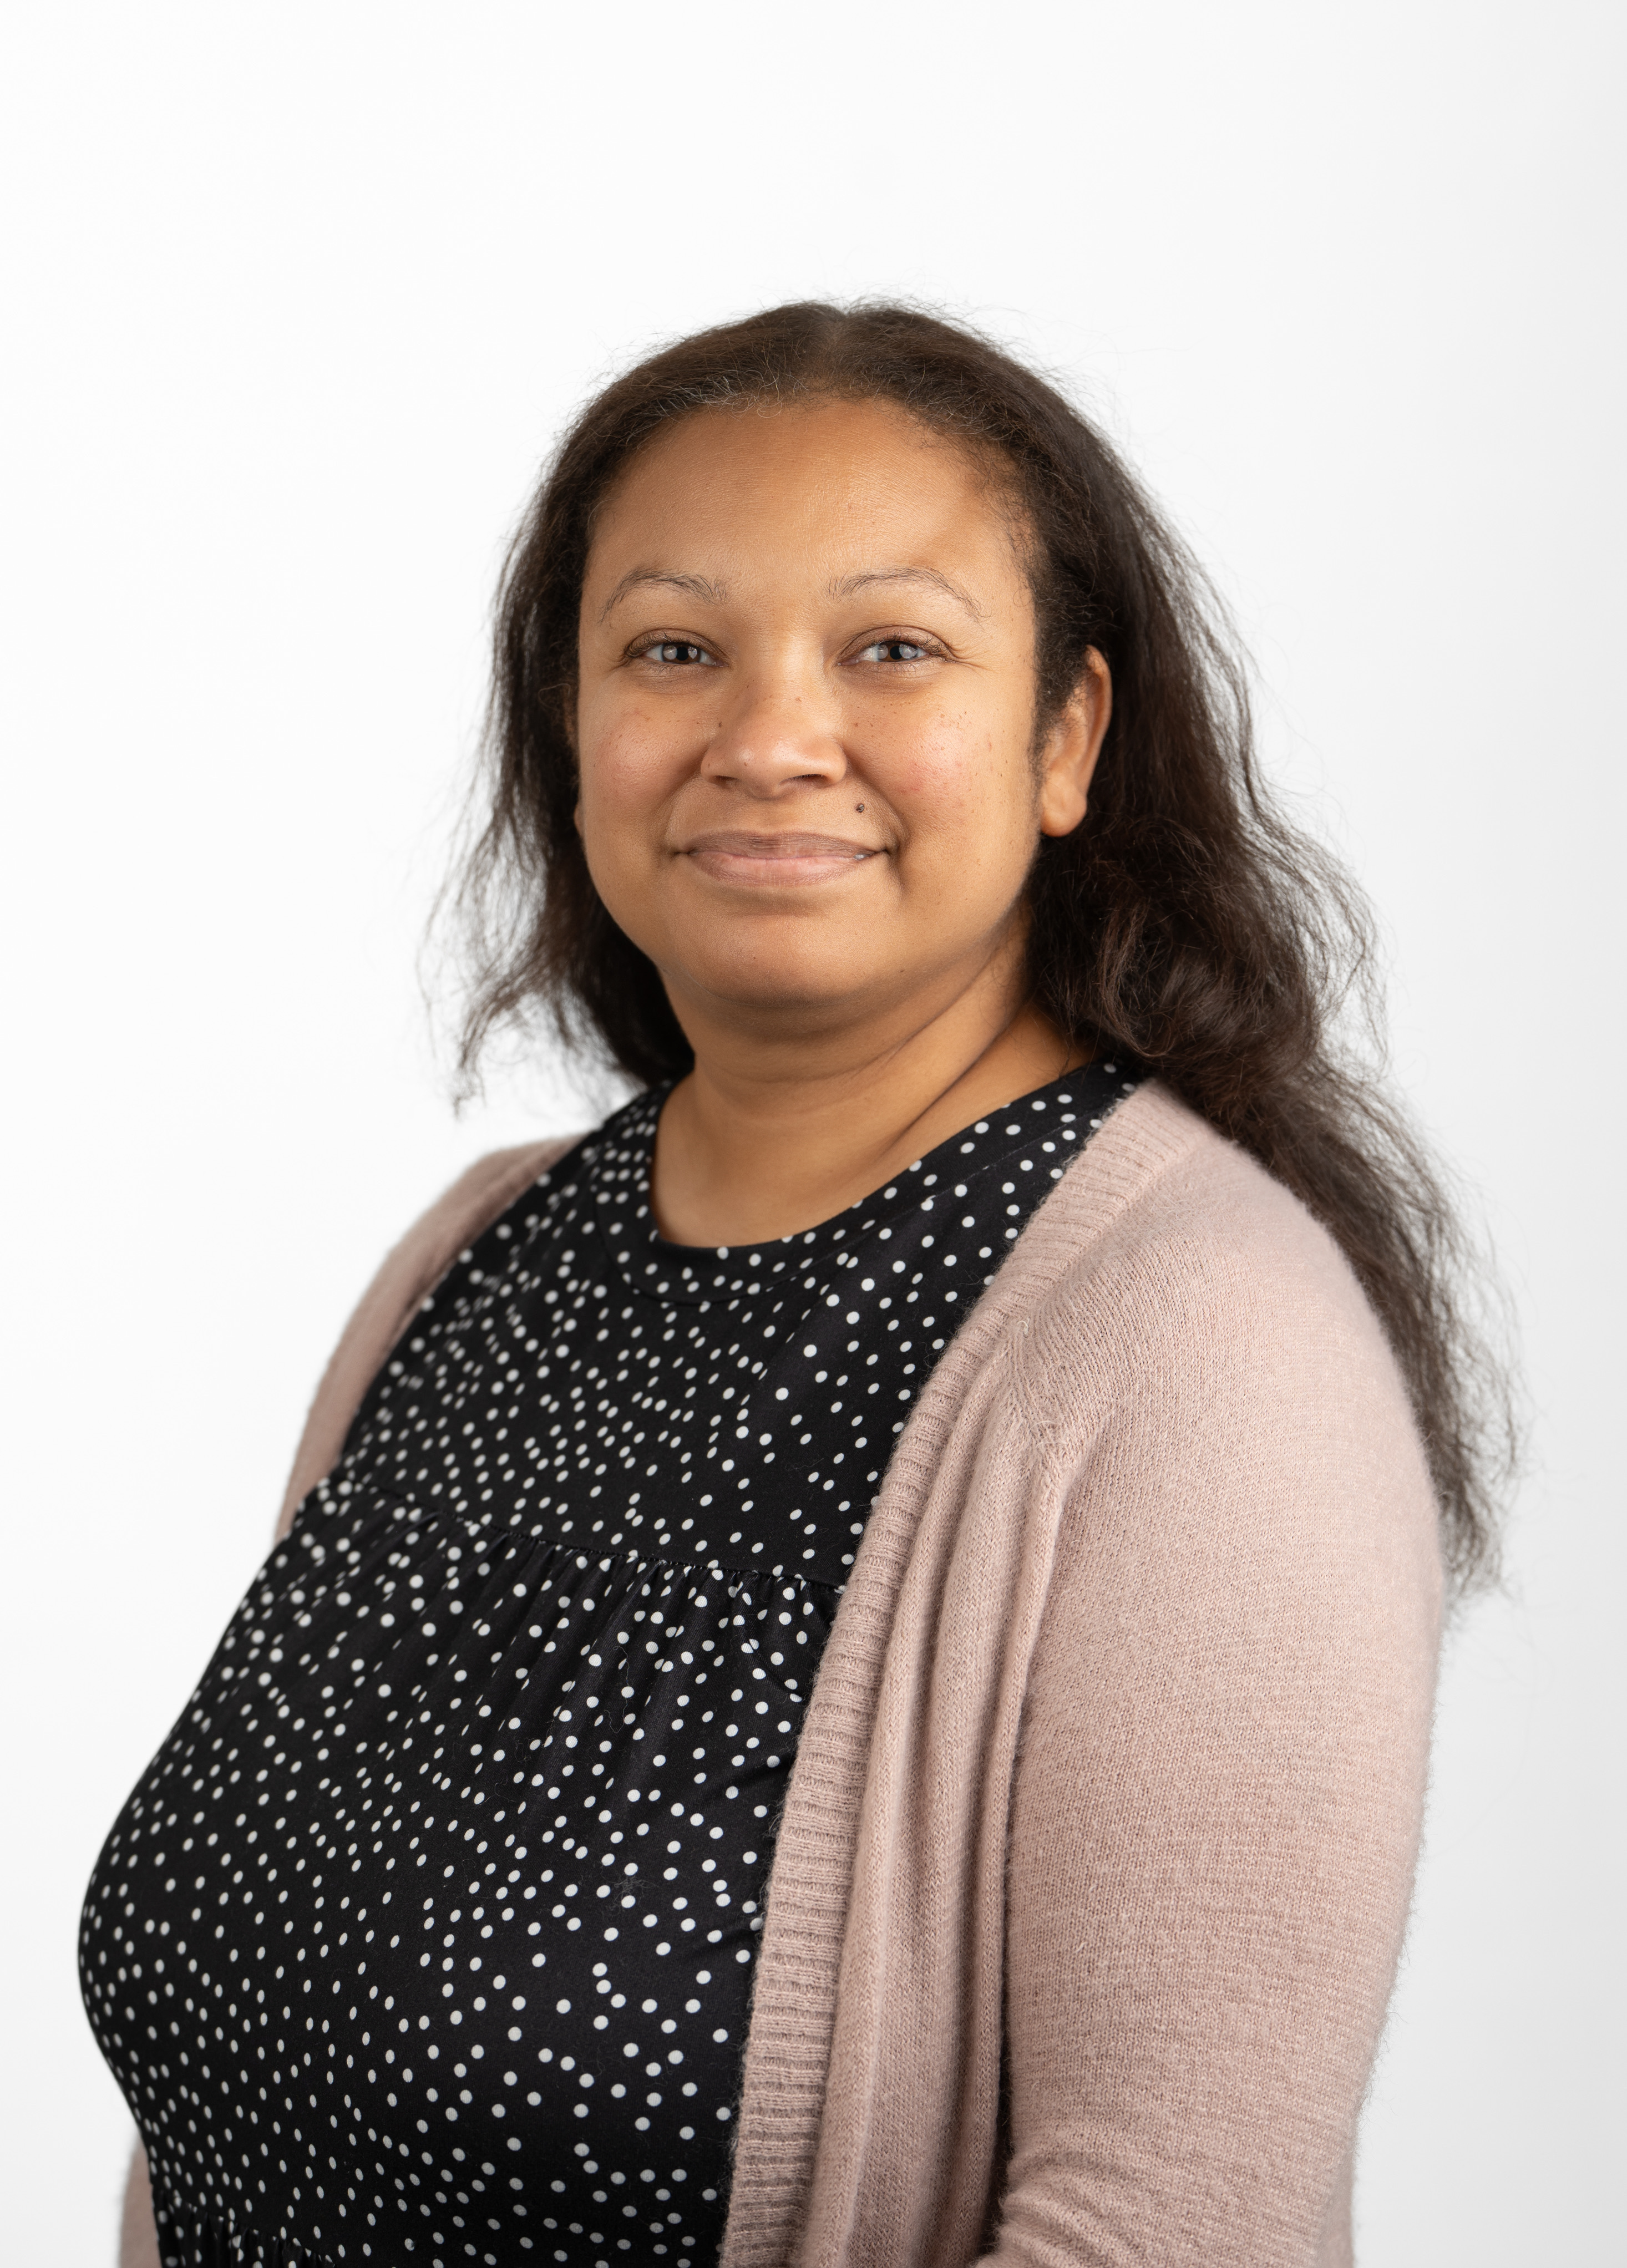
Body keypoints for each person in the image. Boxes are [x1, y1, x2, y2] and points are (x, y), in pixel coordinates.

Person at [84, 302, 1504, 2268]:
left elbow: (1187, 2228)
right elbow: (237, 2107)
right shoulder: (468, 1265)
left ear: (1068, 736)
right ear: (574, 733)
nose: (767, 736)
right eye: (673, 649)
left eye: (892, 647)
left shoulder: (1197, 1345)